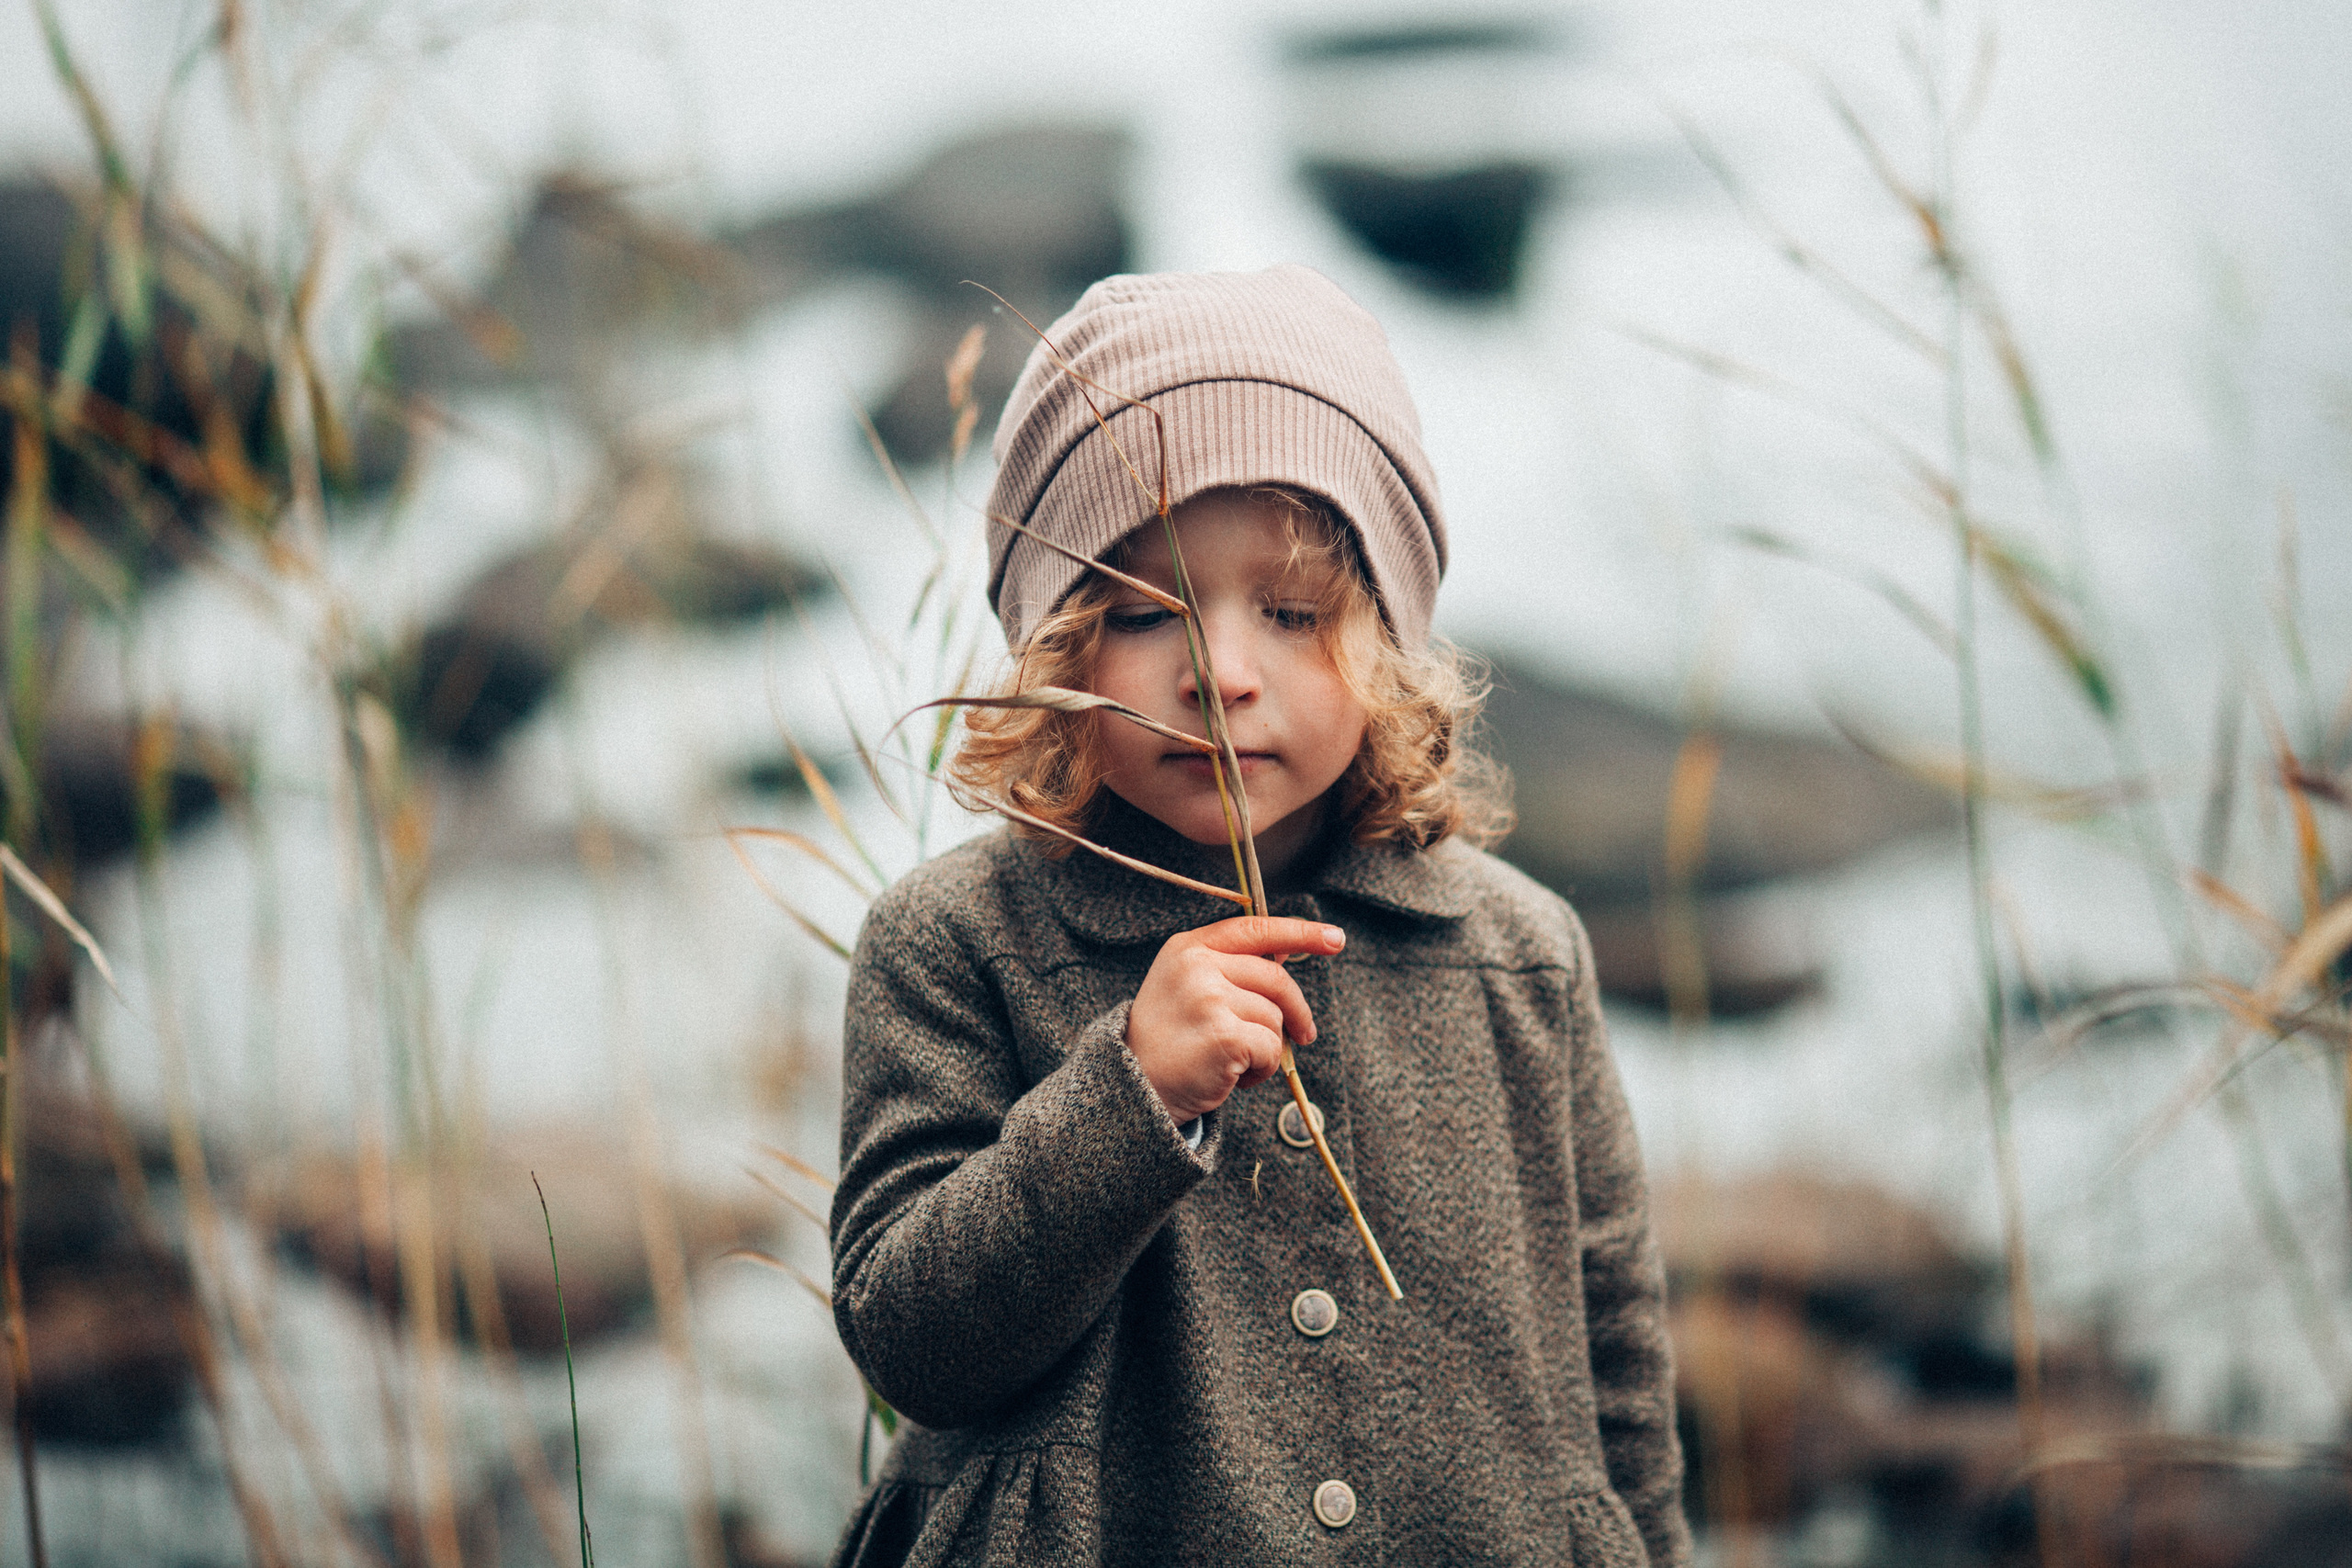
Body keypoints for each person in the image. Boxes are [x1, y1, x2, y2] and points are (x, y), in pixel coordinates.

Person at [828, 265, 1690, 1567]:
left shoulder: (1516, 955)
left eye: (1292, 614)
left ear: (1387, 639)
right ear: (1055, 644)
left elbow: (1616, 1366)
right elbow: (912, 1343)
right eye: (1141, 613)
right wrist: (1126, 1099)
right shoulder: (957, 942)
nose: (1221, 673)